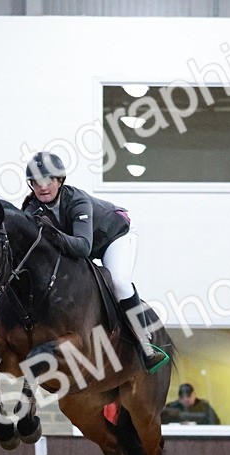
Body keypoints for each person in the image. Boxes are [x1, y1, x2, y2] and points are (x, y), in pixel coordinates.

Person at [20, 151, 167, 373]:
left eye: (48, 180)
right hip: (80, 245)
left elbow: (82, 247)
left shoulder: (77, 201)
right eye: (36, 182)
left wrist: (53, 234)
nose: (43, 187)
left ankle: (145, 344)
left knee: (118, 281)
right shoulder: (31, 210)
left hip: (114, 236)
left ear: (60, 180)